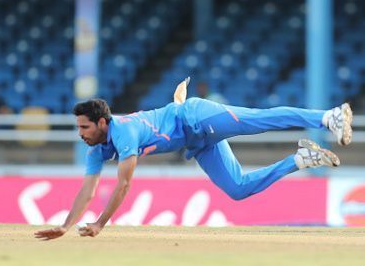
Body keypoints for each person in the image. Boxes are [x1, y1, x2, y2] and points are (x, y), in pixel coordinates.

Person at [34, 80, 352, 240]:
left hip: (197, 117)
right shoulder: (96, 150)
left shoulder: (123, 133)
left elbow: (124, 184)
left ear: (102, 123)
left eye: (84, 127)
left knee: (260, 120)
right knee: (239, 189)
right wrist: (65, 226)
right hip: (197, 142)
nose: (80, 133)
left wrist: (100, 224)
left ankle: (329, 117)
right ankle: (302, 158)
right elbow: (87, 191)